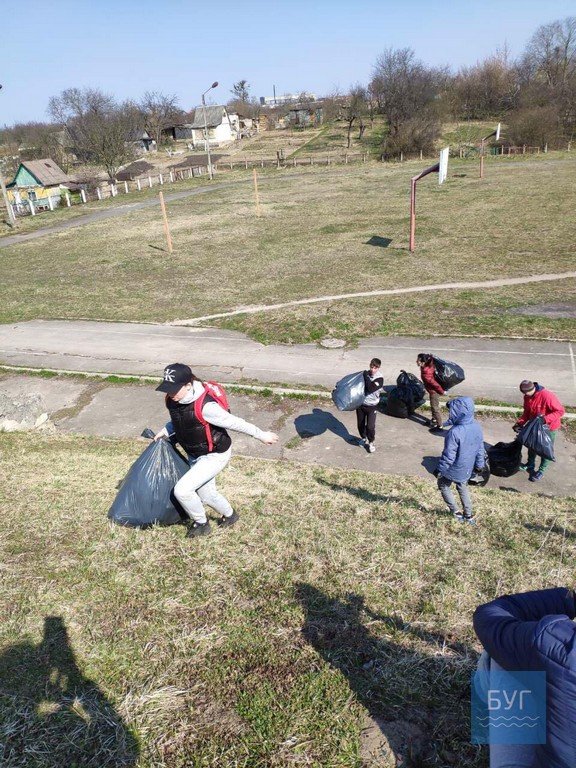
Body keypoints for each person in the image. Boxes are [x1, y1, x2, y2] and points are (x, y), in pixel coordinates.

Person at [154, 363, 279, 538]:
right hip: (195, 453)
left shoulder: (206, 407)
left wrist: (261, 435)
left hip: (214, 455)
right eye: (168, 388)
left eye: (174, 389)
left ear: (188, 385)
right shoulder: (172, 400)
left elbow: (235, 423)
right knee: (206, 494)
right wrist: (166, 431)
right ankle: (230, 515)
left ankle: (201, 524)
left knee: (182, 490)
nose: (170, 393)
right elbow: (178, 419)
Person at [473, 587, 576, 767]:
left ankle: (482, 697)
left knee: (505, 652)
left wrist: (571, 599)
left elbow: (490, 617)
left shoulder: (559, 642)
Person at [435, 396, 485, 525]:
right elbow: (480, 447)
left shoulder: (454, 432)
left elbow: (449, 456)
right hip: (467, 467)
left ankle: (456, 512)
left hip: (453, 468)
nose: (450, 413)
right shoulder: (476, 426)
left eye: (452, 411)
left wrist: (440, 469)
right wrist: (480, 464)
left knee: (443, 485)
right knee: (462, 488)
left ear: (458, 413)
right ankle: (468, 515)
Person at [513, 380, 565, 482]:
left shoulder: (547, 395)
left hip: (549, 427)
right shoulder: (527, 397)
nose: (525, 395)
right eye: (523, 393)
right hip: (534, 426)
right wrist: (519, 423)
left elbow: (560, 411)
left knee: (545, 449)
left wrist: (545, 419)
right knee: (532, 446)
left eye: (526, 392)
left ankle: (541, 470)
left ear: (533, 388)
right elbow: (527, 412)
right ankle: (530, 464)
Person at [356, 358, 384, 453]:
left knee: (370, 427)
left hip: (372, 406)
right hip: (361, 404)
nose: (372, 370)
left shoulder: (380, 379)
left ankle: (371, 442)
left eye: (375, 368)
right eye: (371, 367)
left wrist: (366, 376)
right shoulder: (365, 374)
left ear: (378, 368)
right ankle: (364, 438)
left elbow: (370, 388)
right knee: (360, 424)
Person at [416, 353, 445, 432]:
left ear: (423, 362)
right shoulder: (428, 364)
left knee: (435, 408)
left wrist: (442, 392)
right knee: (433, 406)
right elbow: (430, 358)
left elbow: (435, 384)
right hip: (432, 390)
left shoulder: (426, 374)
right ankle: (434, 420)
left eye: (418, 360)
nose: (416, 361)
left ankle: (440, 426)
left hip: (434, 392)